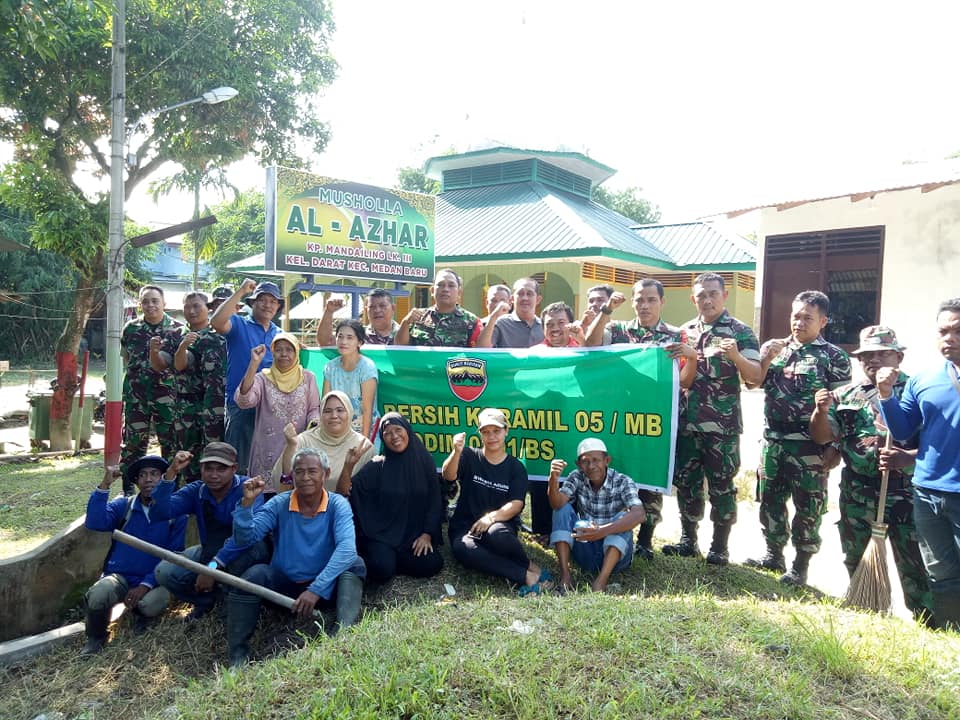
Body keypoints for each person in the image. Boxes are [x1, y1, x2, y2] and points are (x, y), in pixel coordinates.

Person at [809, 325, 933, 623]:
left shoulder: (919, 391)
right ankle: (867, 611)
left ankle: (927, 619)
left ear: (899, 357)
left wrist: (907, 458)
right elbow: (823, 436)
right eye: (866, 355)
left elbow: (938, 443)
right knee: (856, 555)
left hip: (906, 491)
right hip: (858, 491)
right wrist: (821, 411)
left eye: (882, 353)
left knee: (914, 562)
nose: (874, 360)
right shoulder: (846, 394)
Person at [585, 278, 697, 559]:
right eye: (639, 300)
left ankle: (645, 539)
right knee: (615, 472)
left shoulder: (676, 335)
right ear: (632, 302)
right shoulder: (617, 329)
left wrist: (692, 358)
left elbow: (684, 381)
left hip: (654, 419)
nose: (645, 305)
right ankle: (610, 531)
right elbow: (590, 343)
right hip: (619, 417)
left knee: (649, 475)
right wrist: (607, 309)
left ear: (662, 302)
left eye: (651, 300)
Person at [747, 290, 851, 585]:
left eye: (808, 318)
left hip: (810, 445)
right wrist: (766, 357)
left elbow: (844, 408)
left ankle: (800, 566)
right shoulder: (775, 348)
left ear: (823, 321)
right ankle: (773, 554)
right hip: (773, 440)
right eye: (796, 316)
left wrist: (836, 447)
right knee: (770, 500)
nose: (799, 323)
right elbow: (754, 382)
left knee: (808, 507)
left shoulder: (834, 357)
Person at [225, 447, 366, 666]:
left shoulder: (338, 504)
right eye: (299, 472)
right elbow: (245, 539)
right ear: (292, 476)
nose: (305, 477)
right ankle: (237, 657)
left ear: (326, 474)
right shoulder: (279, 503)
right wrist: (246, 505)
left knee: (355, 563)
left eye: (312, 471)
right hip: (287, 590)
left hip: (326, 589)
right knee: (255, 574)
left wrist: (316, 590)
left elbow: (347, 550)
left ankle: (342, 635)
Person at [659, 272, 761, 565]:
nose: (707, 300)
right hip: (687, 423)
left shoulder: (740, 332)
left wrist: (737, 357)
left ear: (724, 295)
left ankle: (719, 546)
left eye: (713, 294)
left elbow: (755, 377)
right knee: (687, 482)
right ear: (693, 298)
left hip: (721, 426)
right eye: (701, 295)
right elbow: (678, 376)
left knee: (721, 485)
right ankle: (688, 540)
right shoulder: (684, 331)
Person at [878, 298, 960, 630]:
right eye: (943, 331)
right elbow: (902, 430)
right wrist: (886, 395)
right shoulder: (924, 379)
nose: (949, 338)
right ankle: (952, 634)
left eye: (957, 331)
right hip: (927, 492)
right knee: (940, 570)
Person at [80, 457, 187, 655]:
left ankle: (140, 615)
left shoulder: (175, 513)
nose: (148, 479)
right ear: (136, 482)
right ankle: (96, 637)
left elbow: (174, 555)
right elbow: (94, 522)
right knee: (99, 594)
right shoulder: (125, 506)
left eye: (154, 474)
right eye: (142, 475)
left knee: (149, 605)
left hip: (155, 580)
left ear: (164, 478)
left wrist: (146, 584)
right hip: (120, 576)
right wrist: (105, 484)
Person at [152, 443, 268, 621]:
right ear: (201, 468)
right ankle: (207, 601)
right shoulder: (196, 491)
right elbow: (159, 512)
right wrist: (171, 473)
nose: (214, 475)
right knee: (165, 572)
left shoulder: (249, 489)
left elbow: (244, 540)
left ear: (234, 468)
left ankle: (231, 605)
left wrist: (211, 569)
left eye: (221, 469)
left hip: (245, 551)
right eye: (208, 468)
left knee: (240, 560)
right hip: (211, 551)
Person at [441, 408, 550, 595]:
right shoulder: (469, 455)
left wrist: (490, 518)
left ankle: (528, 564)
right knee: (463, 548)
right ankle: (526, 576)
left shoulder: (516, 467)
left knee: (498, 534)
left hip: (499, 524)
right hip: (465, 527)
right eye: (486, 432)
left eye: (496, 431)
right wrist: (456, 452)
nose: (491, 437)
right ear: (480, 434)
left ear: (506, 431)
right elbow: (448, 475)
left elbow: (516, 504)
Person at [337, 412, 444, 582]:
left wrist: (427, 534)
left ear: (407, 430)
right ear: (383, 438)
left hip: (413, 537)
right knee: (381, 568)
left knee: (433, 563)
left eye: (398, 429)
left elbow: (434, 500)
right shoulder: (378, 465)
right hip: (382, 537)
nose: (394, 436)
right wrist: (348, 466)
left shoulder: (424, 461)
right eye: (387, 433)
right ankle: (386, 561)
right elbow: (343, 493)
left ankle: (392, 561)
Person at [547, 439, 646, 593]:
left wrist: (601, 531)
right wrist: (553, 479)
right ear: (579, 464)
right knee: (562, 510)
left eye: (596, 460)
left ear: (607, 461)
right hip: (585, 550)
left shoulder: (622, 481)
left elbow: (639, 514)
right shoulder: (577, 477)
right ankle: (565, 576)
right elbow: (556, 504)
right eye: (585, 462)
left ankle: (601, 581)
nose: (591, 466)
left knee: (623, 517)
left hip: (615, 556)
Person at [151, 290, 226, 480]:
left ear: (208, 309)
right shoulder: (175, 335)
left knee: (216, 454)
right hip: (187, 406)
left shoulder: (221, 334)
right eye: (187, 307)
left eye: (197, 306)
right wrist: (155, 351)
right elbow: (167, 365)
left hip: (217, 406)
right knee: (187, 454)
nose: (192, 311)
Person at [211, 279, 283, 473]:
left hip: (270, 408)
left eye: (273, 301)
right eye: (262, 300)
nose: (268, 305)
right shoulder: (239, 324)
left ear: (278, 307)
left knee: (268, 464)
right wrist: (241, 290)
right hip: (240, 406)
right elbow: (216, 322)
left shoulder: (280, 334)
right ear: (253, 303)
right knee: (237, 464)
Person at [235, 332, 320, 491]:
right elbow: (244, 401)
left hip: (298, 445)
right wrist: (254, 364)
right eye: (279, 349)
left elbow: (314, 409)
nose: (284, 354)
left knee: (297, 493)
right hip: (268, 450)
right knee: (266, 496)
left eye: (289, 349)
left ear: (296, 352)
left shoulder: (308, 378)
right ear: (272, 353)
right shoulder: (262, 379)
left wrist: (314, 424)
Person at [119, 284, 183, 494]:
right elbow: (126, 359)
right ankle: (129, 490)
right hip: (137, 397)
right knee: (133, 444)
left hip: (167, 397)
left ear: (164, 303)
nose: (150, 305)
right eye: (145, 301)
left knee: (170, 443)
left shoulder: (177, 329)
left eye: (155, 301)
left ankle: (171, 490)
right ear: (140, 304)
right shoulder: (131, 329)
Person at [274, 390, 375, 492]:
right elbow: (281, 485)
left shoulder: (363, 446)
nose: (334, 416)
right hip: (305, 501)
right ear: (321, 414)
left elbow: (368, 491)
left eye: (340, 410)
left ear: (349, 412)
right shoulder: (304, 441)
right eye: (327, 411)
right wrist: (291, 446)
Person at [393, 269, 482, 347]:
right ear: (432, 291)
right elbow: (399, 347)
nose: (445, 289)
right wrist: (405, 322)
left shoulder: (472, 322)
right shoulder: (417, 317)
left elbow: (479, 354)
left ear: (459, 292)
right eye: (440, 285)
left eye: (451, 285)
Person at [322, 319, 379, 439]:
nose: (344, 342)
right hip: (337, 430)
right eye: (340, 336)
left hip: (364, 430)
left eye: (350, 338)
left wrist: (364, 441)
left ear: (360, 342)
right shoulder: (330, 367)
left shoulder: (367, 368)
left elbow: (367, 410)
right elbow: (325, 405)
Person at [316, 288, 400, 346]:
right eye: (372, 307)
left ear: (393, 308)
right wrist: (329, 312)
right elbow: (326, 342)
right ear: (366, 310)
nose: (377, 310)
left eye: (382, 306)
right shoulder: (358, 334)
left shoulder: (404, 334)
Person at [477, 277, 545, 348]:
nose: (524, 298)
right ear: (512, 299)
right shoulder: (500, 323)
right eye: (520, 294)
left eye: (529, 294)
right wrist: (493, 317)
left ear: (538, 299)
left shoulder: (544, 326)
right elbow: (481, 349)